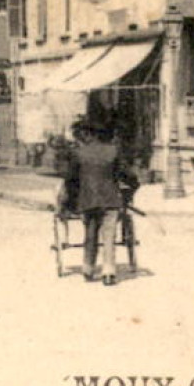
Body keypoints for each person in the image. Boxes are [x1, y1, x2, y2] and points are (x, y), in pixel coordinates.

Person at [63, 119, 139, 285]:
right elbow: (128, 175)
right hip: (111, 199)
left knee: (90, 234)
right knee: (109, 235)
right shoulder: (113, 151)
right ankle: (109, 272)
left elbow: (71, 180)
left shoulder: (79, 153)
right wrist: (132, 189)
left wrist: (70, 203)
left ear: (88, 134)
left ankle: (88, 269)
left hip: (88, 200)